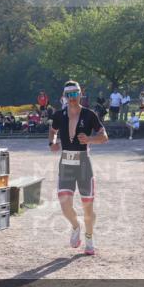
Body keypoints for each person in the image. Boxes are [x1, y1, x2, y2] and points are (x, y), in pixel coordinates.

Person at [50, 81, 108, 256]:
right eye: (69, 95)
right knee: (64, 203)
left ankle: (89, 239)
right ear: (64, 96)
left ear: (80, 94)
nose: (72, 98)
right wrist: (52, 142)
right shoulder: (59, 115)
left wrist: (90, 139)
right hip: (66, 161)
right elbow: (52, 131)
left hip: (83, 163)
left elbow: (104, 136)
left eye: (75, 94)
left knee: (87, 206)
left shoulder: (90, 115)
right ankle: (76, 226)